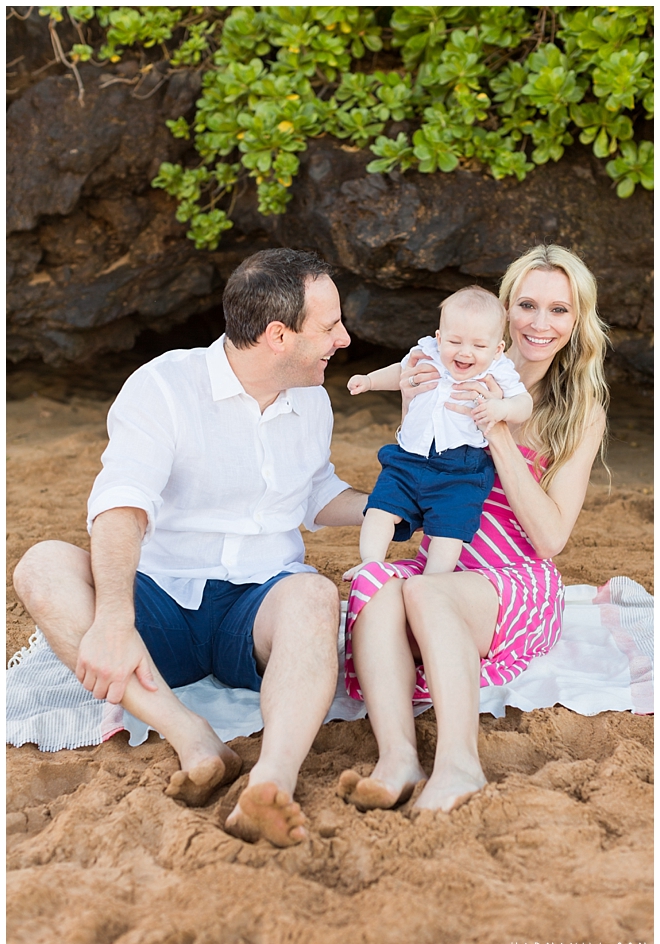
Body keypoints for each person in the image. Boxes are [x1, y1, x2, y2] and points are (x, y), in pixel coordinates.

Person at [12, 248, 367, 849]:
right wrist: (116, 618)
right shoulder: (164, 386)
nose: (344, 338)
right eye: (329, 326)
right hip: (160, 602)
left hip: (258, 605)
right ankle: (192, 737)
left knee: (313, 594)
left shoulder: (311, 397)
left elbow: (313, 491)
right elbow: (121, 505)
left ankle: (271, 783)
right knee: (42, 565)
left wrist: (391, 508)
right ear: (278, 336)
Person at [338, 244, 608, 815]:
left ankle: (459, 764)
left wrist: (498, 432)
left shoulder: (580, 410)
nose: (540, 323)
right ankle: (398, 759)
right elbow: (421, 487)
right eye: (527, 305)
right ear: (504, 312)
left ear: (576, 320)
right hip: (445, 557)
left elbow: (550, 539)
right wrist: (413, 407)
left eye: (559, 310)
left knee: (427, 591)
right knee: (375, 586)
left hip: (514, 577)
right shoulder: (446, 367)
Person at [343, 287, 532, 579]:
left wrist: (502, 408)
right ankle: (371, 562)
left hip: (460, 467)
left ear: (497, 349)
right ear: (440, 338)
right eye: (455, 341)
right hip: (409, 457)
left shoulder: (498, 369)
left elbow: (524, 403)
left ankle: (434, 580)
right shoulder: (428, 353)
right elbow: (400, 371)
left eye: (479, 345)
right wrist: (369, 381)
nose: (465, 352)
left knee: (449, 529)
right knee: (380, 507)